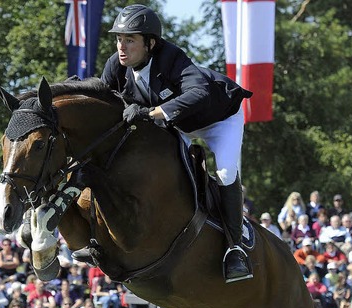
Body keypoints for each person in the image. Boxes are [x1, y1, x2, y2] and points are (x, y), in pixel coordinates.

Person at [99, 4, 253, 283]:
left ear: (150, 43)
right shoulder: (116, 67)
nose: (121, 47)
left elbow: (200, 92)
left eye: (130, 40)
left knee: (226, 171)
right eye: (119, 39)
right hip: (180, 124)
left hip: (219, 119)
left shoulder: (171, 58)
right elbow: (99, 99)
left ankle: (235, 248)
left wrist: (151, 113)